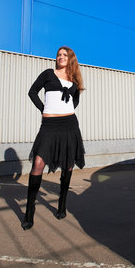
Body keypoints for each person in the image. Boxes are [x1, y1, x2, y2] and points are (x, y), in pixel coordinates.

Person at [22, 46, 86, 230]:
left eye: (64, 55)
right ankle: (29, 210)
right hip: (49, 126)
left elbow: (75, 101)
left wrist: (66, 111)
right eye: (58, 54)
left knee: (67, 164)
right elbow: (32, 92)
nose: (60, 57)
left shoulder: (74, 80)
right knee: (38, 163)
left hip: (69, 125)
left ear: (71, 58)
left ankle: (62, 203)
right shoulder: (48, 74)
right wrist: (45, 109)